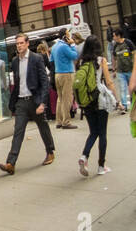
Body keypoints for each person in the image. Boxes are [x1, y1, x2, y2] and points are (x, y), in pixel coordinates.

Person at [0, 33, 55, 175]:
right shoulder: (15, 62)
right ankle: (11, 163)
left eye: (21, 43)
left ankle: (50, 151)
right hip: (21, 102)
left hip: (35, 100)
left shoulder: (36, 59)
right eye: (17, 44)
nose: (19, 46)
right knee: (18, 131)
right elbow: (17, 84)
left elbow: (44, 82)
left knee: (43, 127)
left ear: (27, 43)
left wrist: (42, 103)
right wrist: (13, 102)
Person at [74, 35, 117, 177]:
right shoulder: (101, 60)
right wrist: (117, 100)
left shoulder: (80, 62)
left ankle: (84, 156)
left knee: (93, 132)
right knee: (102, 133)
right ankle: (101, 166)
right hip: (100, 99)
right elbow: (109, 82)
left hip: (86, 101)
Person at [50, 32, 80, 128]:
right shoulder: (64, 46)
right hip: (67, 73)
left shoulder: (54, 47)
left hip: (57, 73)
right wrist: (72, 45)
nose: (70, 36)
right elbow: (75, 56)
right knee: (67, 98)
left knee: (60, 98)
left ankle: (59, 121)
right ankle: (66, 122)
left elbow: (51, 60)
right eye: (68, 34)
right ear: (65, 36)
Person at [112, 29, 134, 111]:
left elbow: (134, 54)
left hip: (130, 70)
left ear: (118, 36)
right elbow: (114, 58)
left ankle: (134, 103)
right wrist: (114, 69)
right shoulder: (115, 46)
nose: (113, 38)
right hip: (120, 71)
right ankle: (124, 106)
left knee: (133, 88)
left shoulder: (128, 43)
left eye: (114, 36)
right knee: (122, 88)